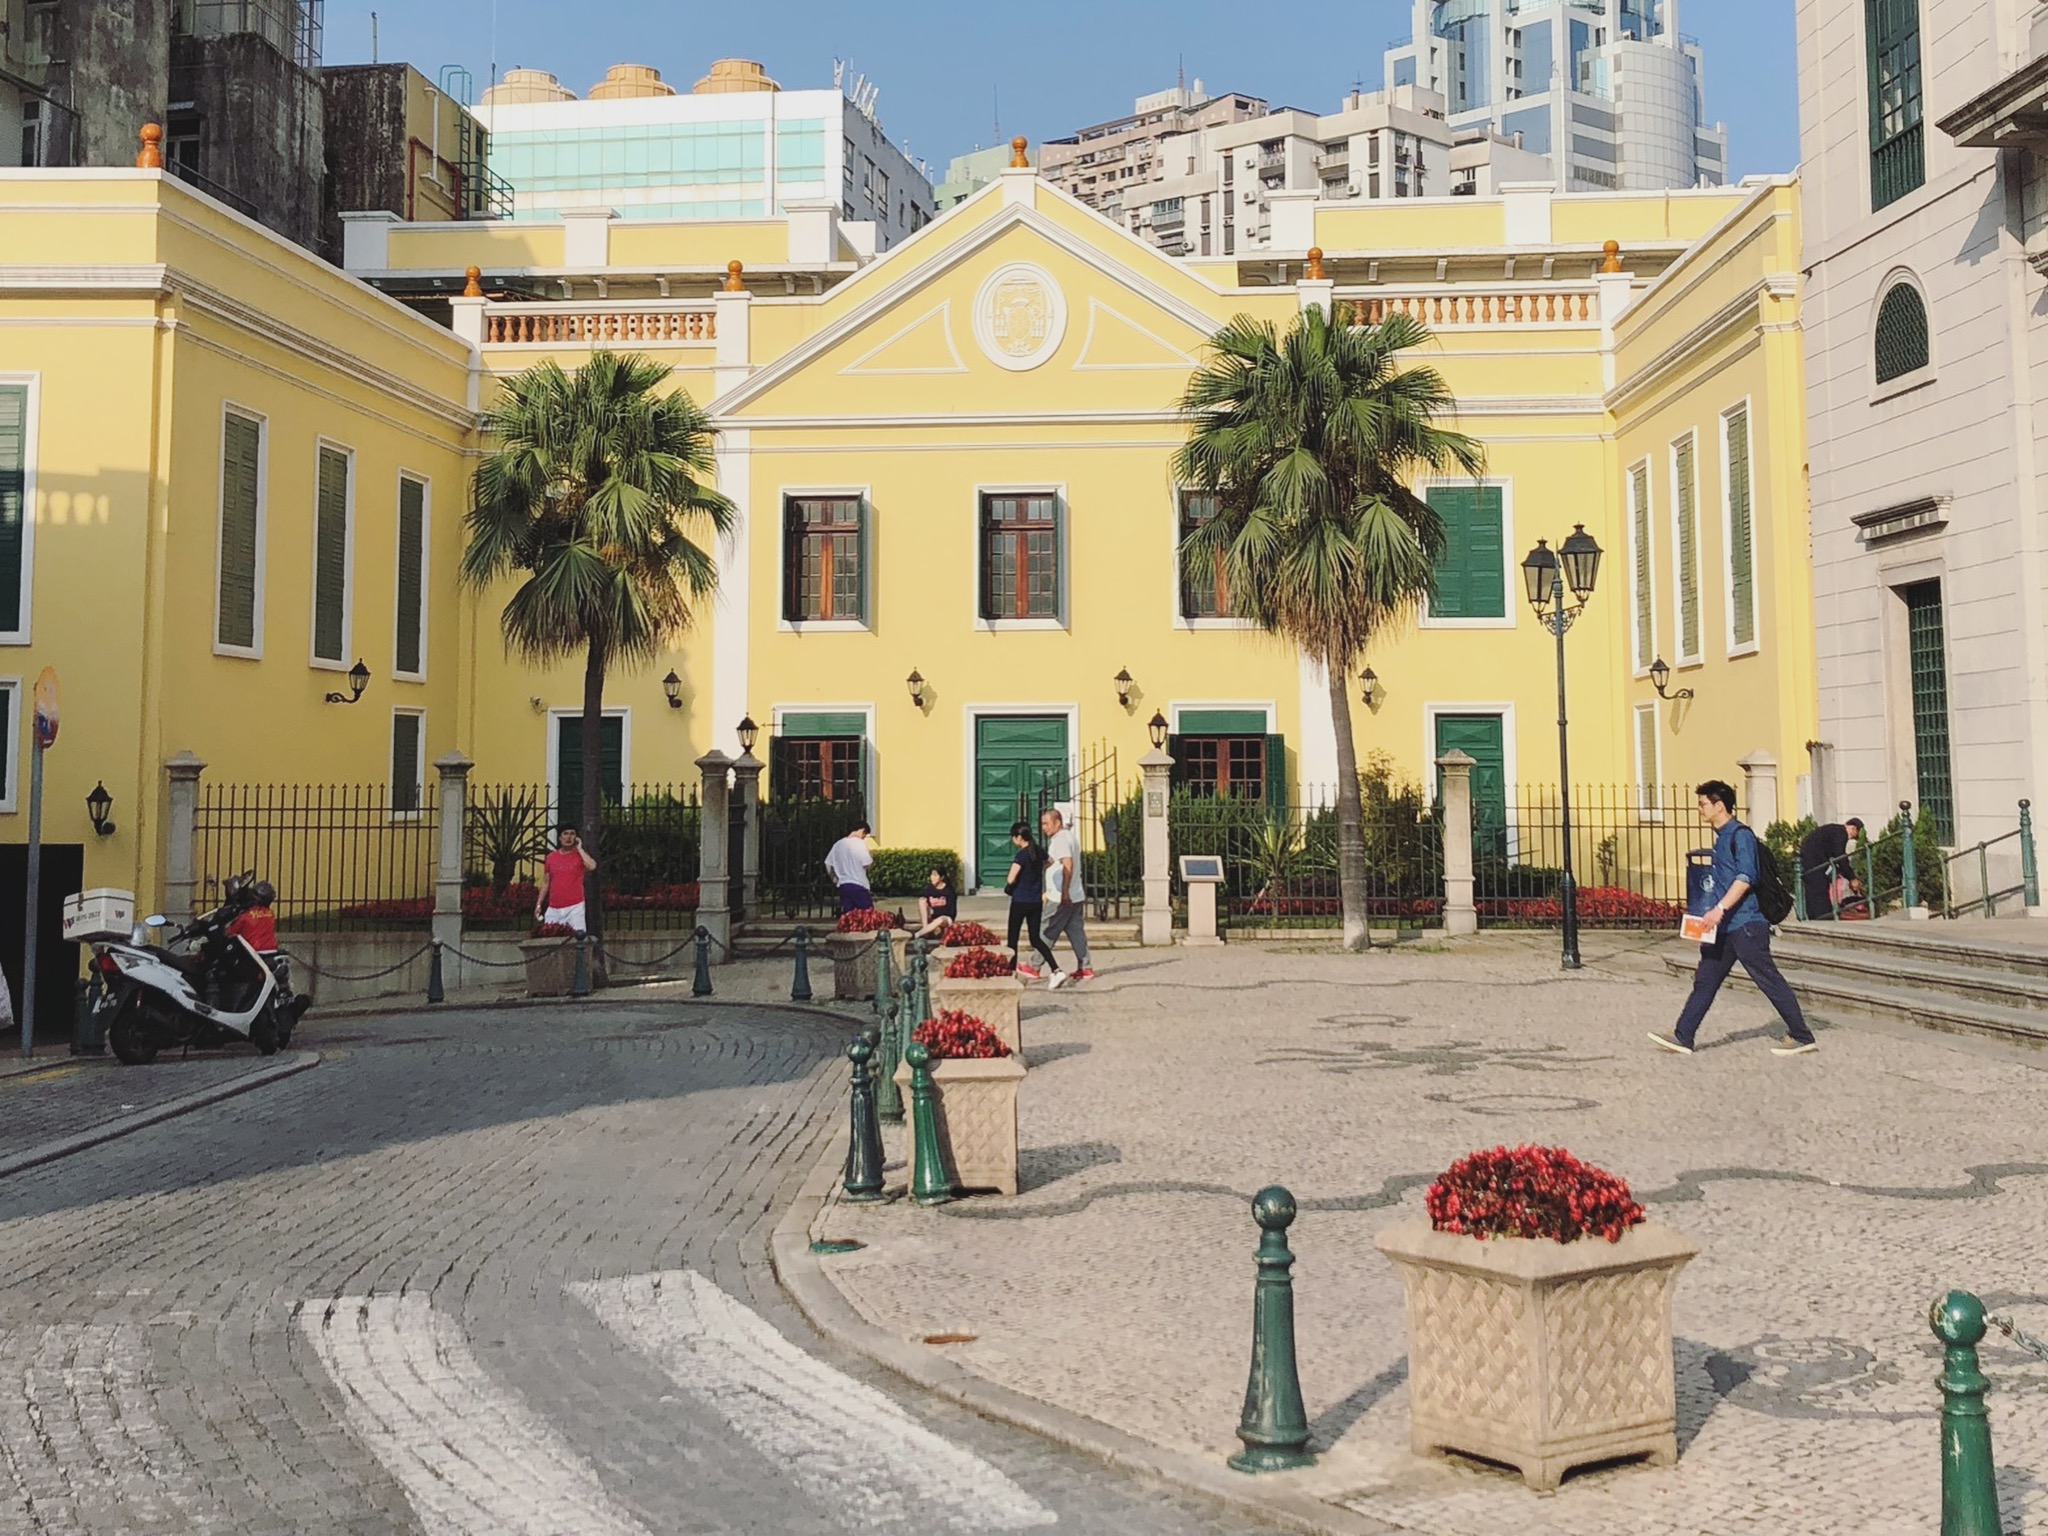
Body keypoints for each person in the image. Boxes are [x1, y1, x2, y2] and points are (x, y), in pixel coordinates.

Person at [1651, 780, 1819, 1057]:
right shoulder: (1721, 838)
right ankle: (1683, 1036)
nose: (1700, 809)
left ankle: (1801, 1035)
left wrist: (1719, 909)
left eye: (1703, 804)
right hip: (1724, 927)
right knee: (1706, 979)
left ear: (1719, 805)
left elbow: (1746, 877)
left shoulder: (1741, 836)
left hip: (1746, 924)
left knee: (1768, 979)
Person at [1002, 821, 1062, 985]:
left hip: (1020, 900)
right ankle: (1056, 968)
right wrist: (1037, 870)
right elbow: (1050, 861)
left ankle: (1011, 970)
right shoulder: (1038, 850)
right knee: (1035, 938)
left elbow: (1011, 878)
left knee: (1013, 938)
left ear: (1019, 837)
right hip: (1035, 901)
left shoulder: (1021, 855)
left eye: (1013, 837)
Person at [1040, 807, 1095, 983]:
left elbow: (1067, 865)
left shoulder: (1061, 839)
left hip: (1060, 896)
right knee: (1075, 931)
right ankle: (1085, 967)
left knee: (1048, 929)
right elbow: (1054, 862)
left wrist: (1064, 892)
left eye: (1046, 823)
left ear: (1057, 822)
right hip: (1076, 894)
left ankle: (1034, 965)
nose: (1044, 827)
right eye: (1042, 824)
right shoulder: (1069, 837)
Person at [1798, 817, 1866, 919]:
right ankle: (1822, 915)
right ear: (1854, 829)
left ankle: (1814, 914)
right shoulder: (1841, 833)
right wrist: (1852, 877)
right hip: (1814, 859)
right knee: (1819, 886)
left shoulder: (1833, 831)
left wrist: (1845, 874)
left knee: (1814, 886)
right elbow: (1840, 857)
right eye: (1853, 837)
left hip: (1810, 857)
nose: (1850, 839)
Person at [535, 824, 597, 933]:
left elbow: (592, 866)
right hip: (554, 907)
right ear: (560, 838)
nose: (569, 837)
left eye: (572, 834)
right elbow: (546, 882)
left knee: (578, 938)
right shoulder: (551, 858)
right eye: (565, 834)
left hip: (575, 907)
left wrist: (580, 849)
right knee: (551, 936)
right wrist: (539, 904)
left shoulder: (580, 856)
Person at [825, 821, 876, 915]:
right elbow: (867, 863)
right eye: (864, 835)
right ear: (862, 831)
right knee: (867, 916)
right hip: (859, 885)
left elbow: (828, 864)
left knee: (849, 917)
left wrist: (835, 880)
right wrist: (872, 858)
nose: (863, 837)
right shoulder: (860, 844)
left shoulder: (838, 844)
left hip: (844, 885)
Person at [226, 881, 280, 954]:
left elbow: (231, 931)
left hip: (254, 950)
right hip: (272, 948)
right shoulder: (271, 913)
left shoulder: (246, 916)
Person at [915, 866, 957, 941]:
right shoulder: (929, 889)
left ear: (942, 877)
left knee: (941, 919)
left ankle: (918, 934)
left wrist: (934, 911)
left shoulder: (949, 891)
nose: (932, 878)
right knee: (922, 901)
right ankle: (926, 930)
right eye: (931, 875)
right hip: (932, 918)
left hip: (945, 918)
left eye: (935, 875)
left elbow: (951, 912)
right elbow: (924, 907)